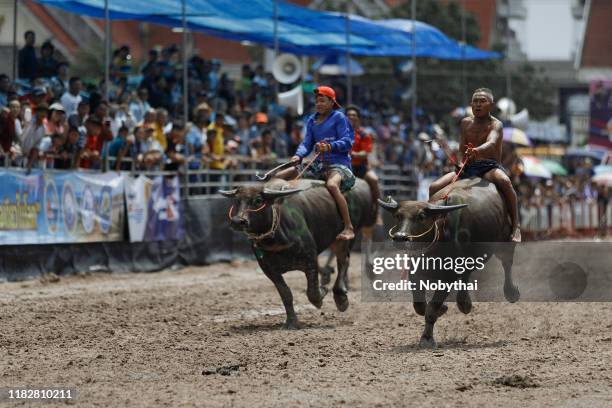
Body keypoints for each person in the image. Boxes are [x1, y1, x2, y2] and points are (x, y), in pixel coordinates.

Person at [428, 88, 521, 242]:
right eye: (475, 101)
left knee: (505, 181)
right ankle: (429, 226)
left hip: (488, 167)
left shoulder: (496, 124)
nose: (478, 104)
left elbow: (491, 142)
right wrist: (459, 162)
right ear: (471, 104)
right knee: (433, 187)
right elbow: (461, 147)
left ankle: (515, 225)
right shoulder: (465, 123)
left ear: (491, 105)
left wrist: (477, 150)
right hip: (467, 168)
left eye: (482, 101)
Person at [276, 86, 356, 241]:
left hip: (338, 165)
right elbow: (306, 143)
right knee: (280, 176)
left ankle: (348, 227)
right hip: (318, 164)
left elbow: (347, 142)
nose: (318, 104)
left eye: (322, 101)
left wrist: (330, 146)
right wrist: (298, 155)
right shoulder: (312, 119)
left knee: (332, 185)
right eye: (317, 101)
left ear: (332, 102)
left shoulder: (339, 117)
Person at [345, 105, 381, 212]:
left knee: (374, 180)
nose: (351, 117)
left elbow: (365, 153)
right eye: (348, 115)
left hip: (361, 168)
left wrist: (353, 154)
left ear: (358, 118)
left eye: (354, 115)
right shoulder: (340, 133)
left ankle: (377, 211)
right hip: (344, 167)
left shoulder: (364, 134)